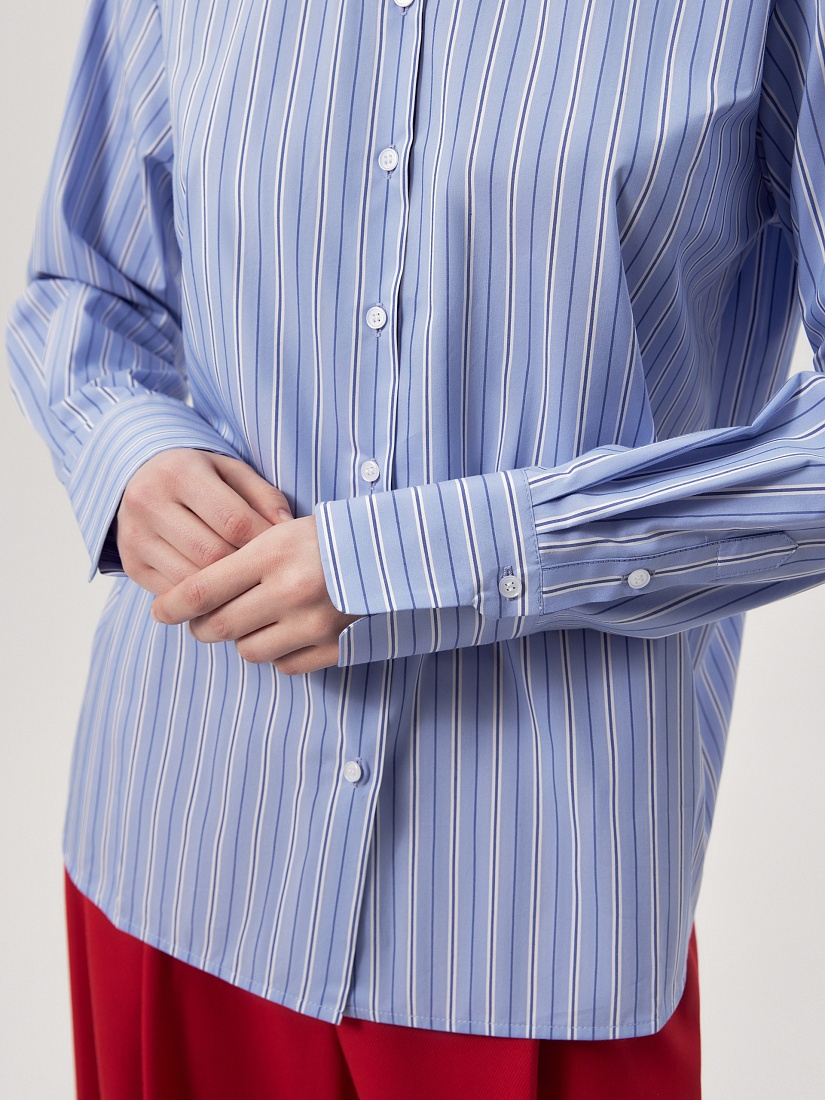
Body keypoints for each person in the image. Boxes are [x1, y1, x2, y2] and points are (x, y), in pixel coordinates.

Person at [7, 0, 825, 1095]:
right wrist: (129, 452)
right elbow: (87, 284)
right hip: (181, 836)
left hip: (524, 928)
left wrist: (441, 558)